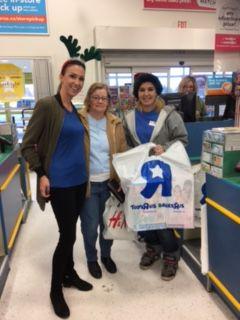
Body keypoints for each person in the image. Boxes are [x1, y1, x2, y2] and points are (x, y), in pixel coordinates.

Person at [21, 59, 93, 319]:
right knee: (67, 237)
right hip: (60, 184)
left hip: (78, 182)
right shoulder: (47, 106)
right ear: (61, 76)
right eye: (72, 76)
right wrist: (40, 173)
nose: (76, 82)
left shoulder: (74, 110)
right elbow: (27, 145)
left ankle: (69, 274)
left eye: (81, 79)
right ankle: (55, 290)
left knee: (70, 232)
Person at [123, 73, 188, 281]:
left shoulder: (169, 115)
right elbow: (126, 145)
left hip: (165, 177)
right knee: (144, 215)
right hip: (140, 176)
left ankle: (170, 255)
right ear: (137, 94)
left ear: (157, 91)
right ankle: (152, 248)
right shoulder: (129, 118)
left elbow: (183, 140)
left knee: (163, 217)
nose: (146, 94)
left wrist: (165, 147)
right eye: (142, 90)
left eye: (150, 89)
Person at [79, 82, 127, 279]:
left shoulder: (115, 122)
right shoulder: (79, 120)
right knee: (90, 226)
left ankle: (106, 256)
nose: (100, 101)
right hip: (88, 184)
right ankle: (92, 258)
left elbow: (122, 151)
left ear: (109, 101)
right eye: (96, 97)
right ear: (89, 99)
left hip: (110, 183)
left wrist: (124, 178)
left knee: (108, 224)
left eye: (104, 98)